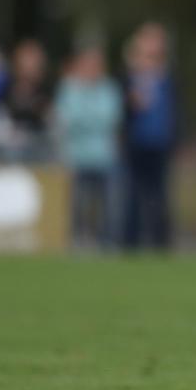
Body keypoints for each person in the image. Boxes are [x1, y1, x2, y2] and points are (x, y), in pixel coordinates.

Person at [54, 48, 123, 248]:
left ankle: (107, 242)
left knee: (107, 205)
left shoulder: (109, 89)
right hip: (76, 156)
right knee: (77, 204)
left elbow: (110, 118)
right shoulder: (68, 88)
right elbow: (67, 119)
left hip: (104, 156)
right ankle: (78, 241)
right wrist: (92, 118)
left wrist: (85, 117)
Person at [121, 22, 179, 251]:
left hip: (161, 143)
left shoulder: (168, 75)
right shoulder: (129, 75)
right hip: (136, 143)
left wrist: (178, 138)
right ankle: (130, 242)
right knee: (133, 194)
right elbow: (122, 109)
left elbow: (176, 110)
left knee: (160, 195)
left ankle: (160, 243)